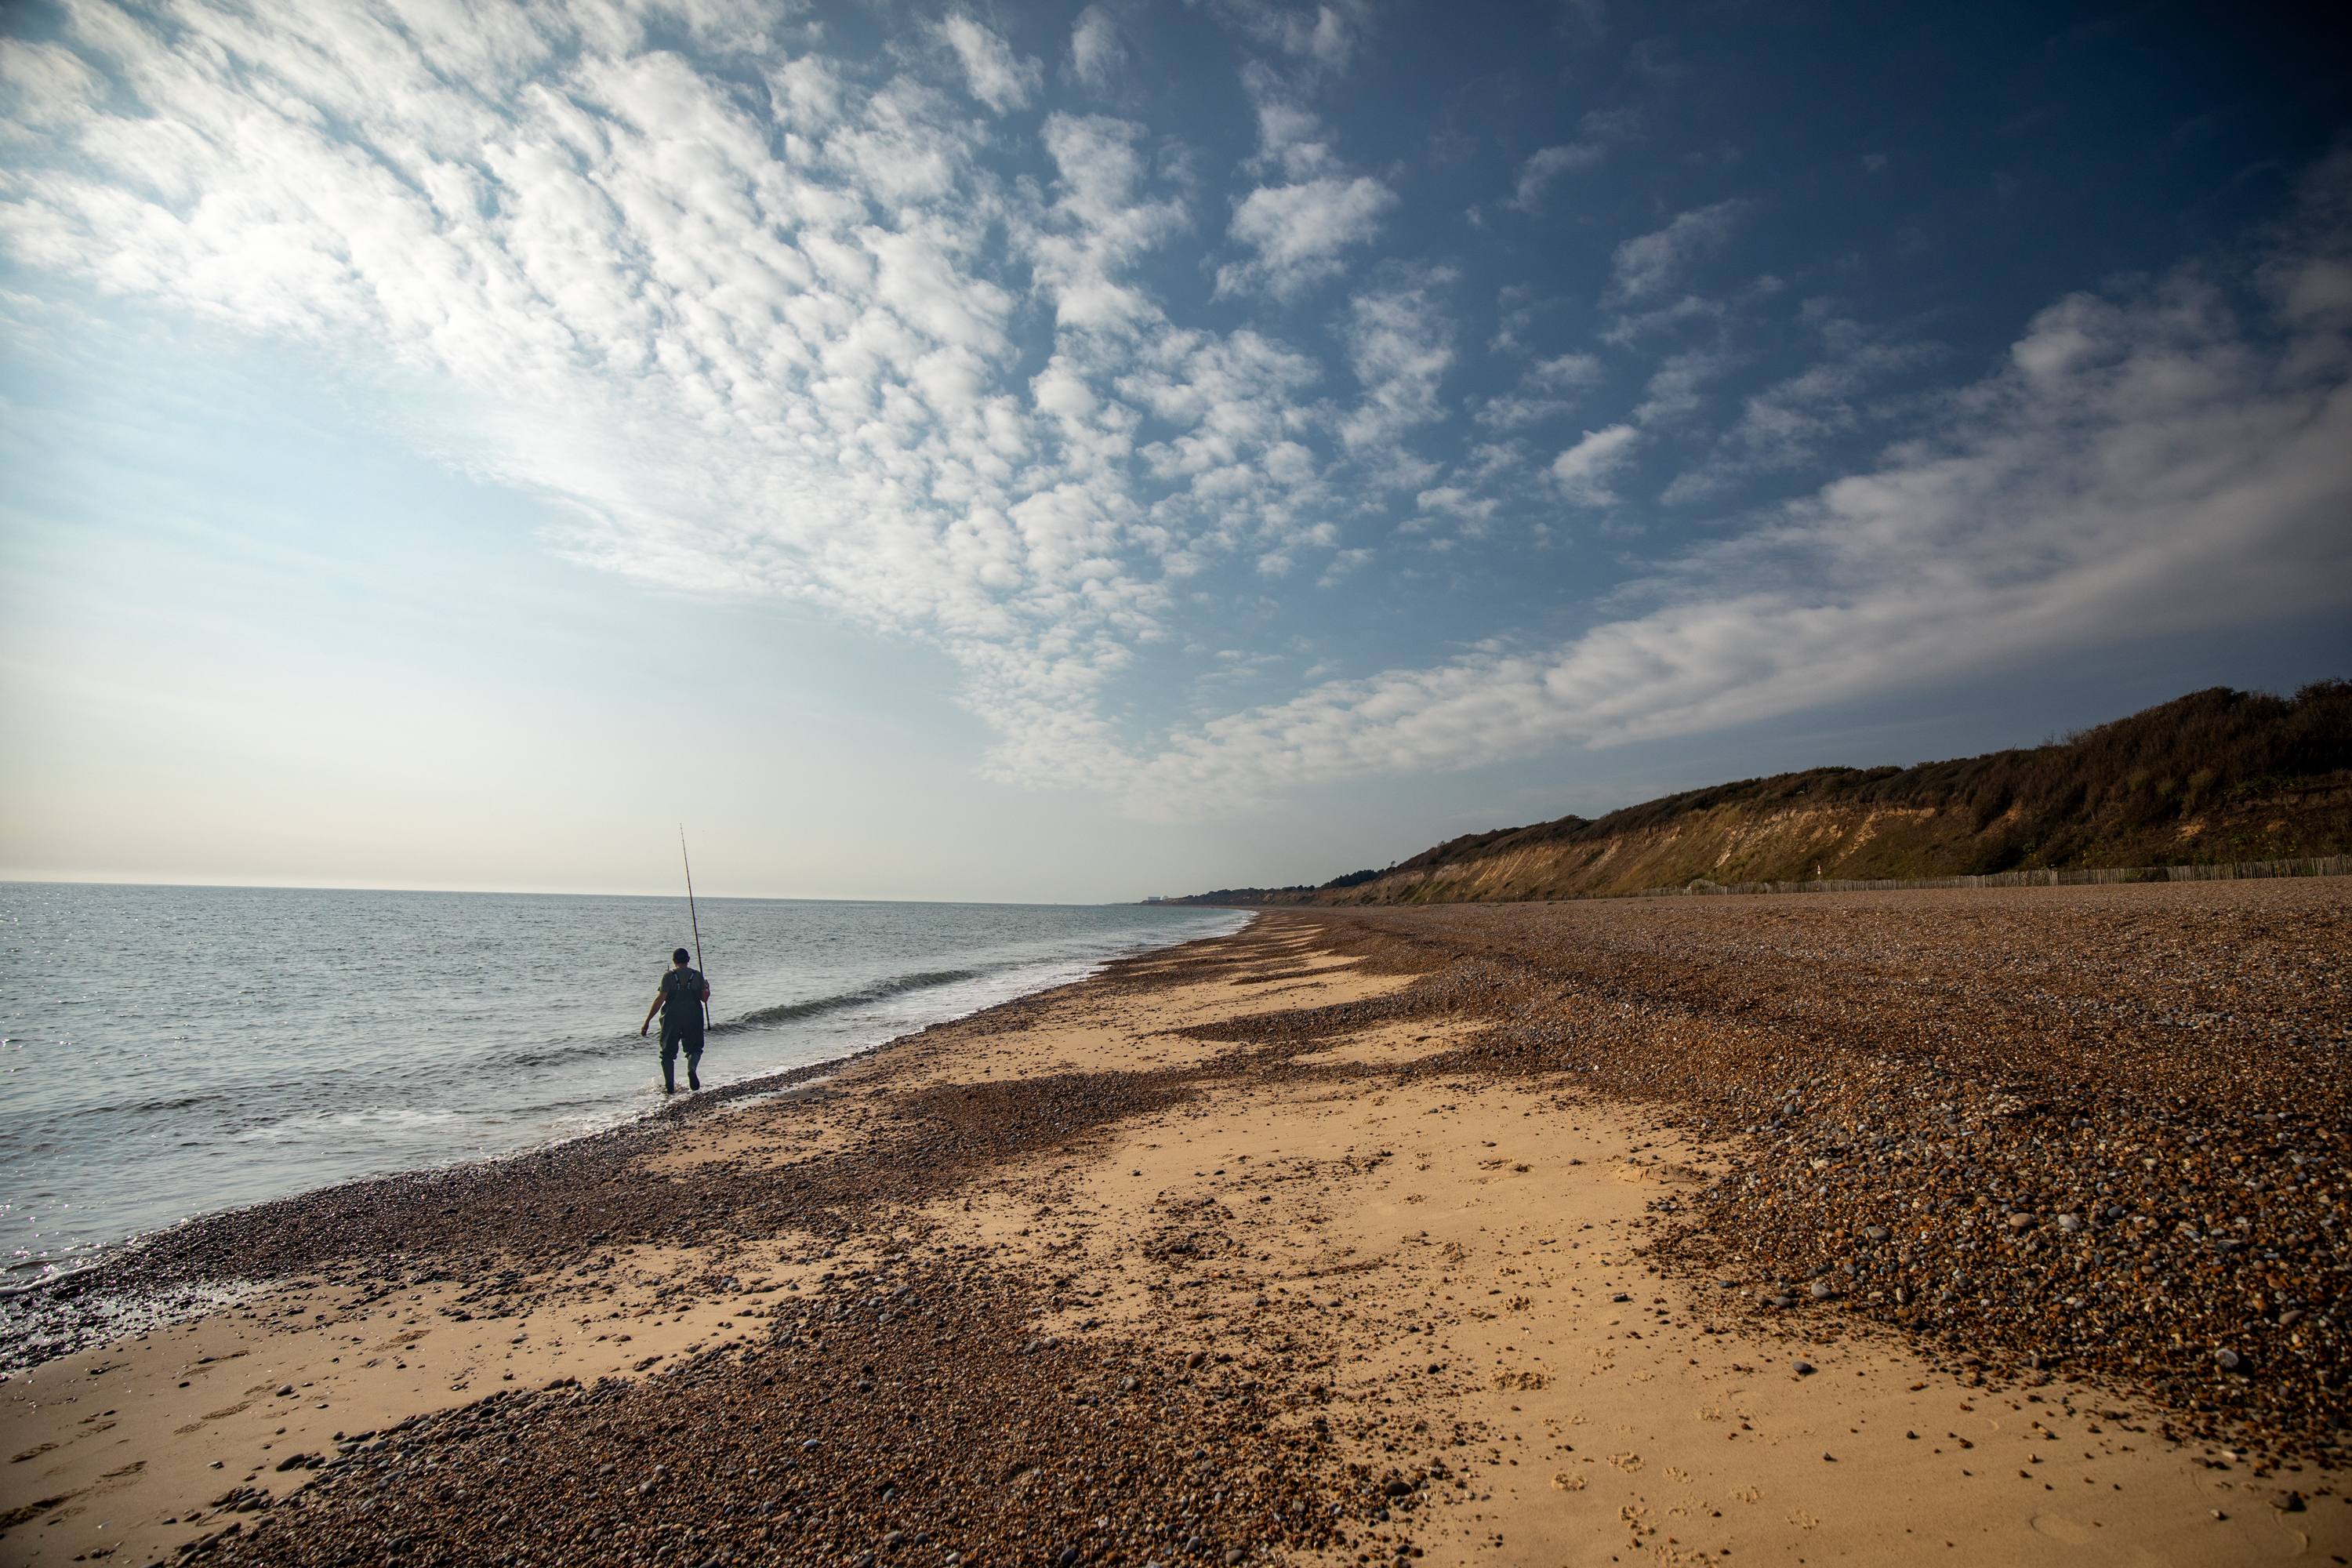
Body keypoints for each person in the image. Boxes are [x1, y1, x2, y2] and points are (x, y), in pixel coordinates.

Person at [640, 946, 710, 1094]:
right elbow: (704, 999)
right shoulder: (697, 975)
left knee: (667, 1053)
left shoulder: (668, 976)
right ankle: (691, 1069)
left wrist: (647, 1021)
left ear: (674, 961)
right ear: (688, 960)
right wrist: (707, 988)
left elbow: (660, 999)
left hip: (672, 1019)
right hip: (694, 1016)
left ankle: (670, 1088)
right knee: (694, 1049)